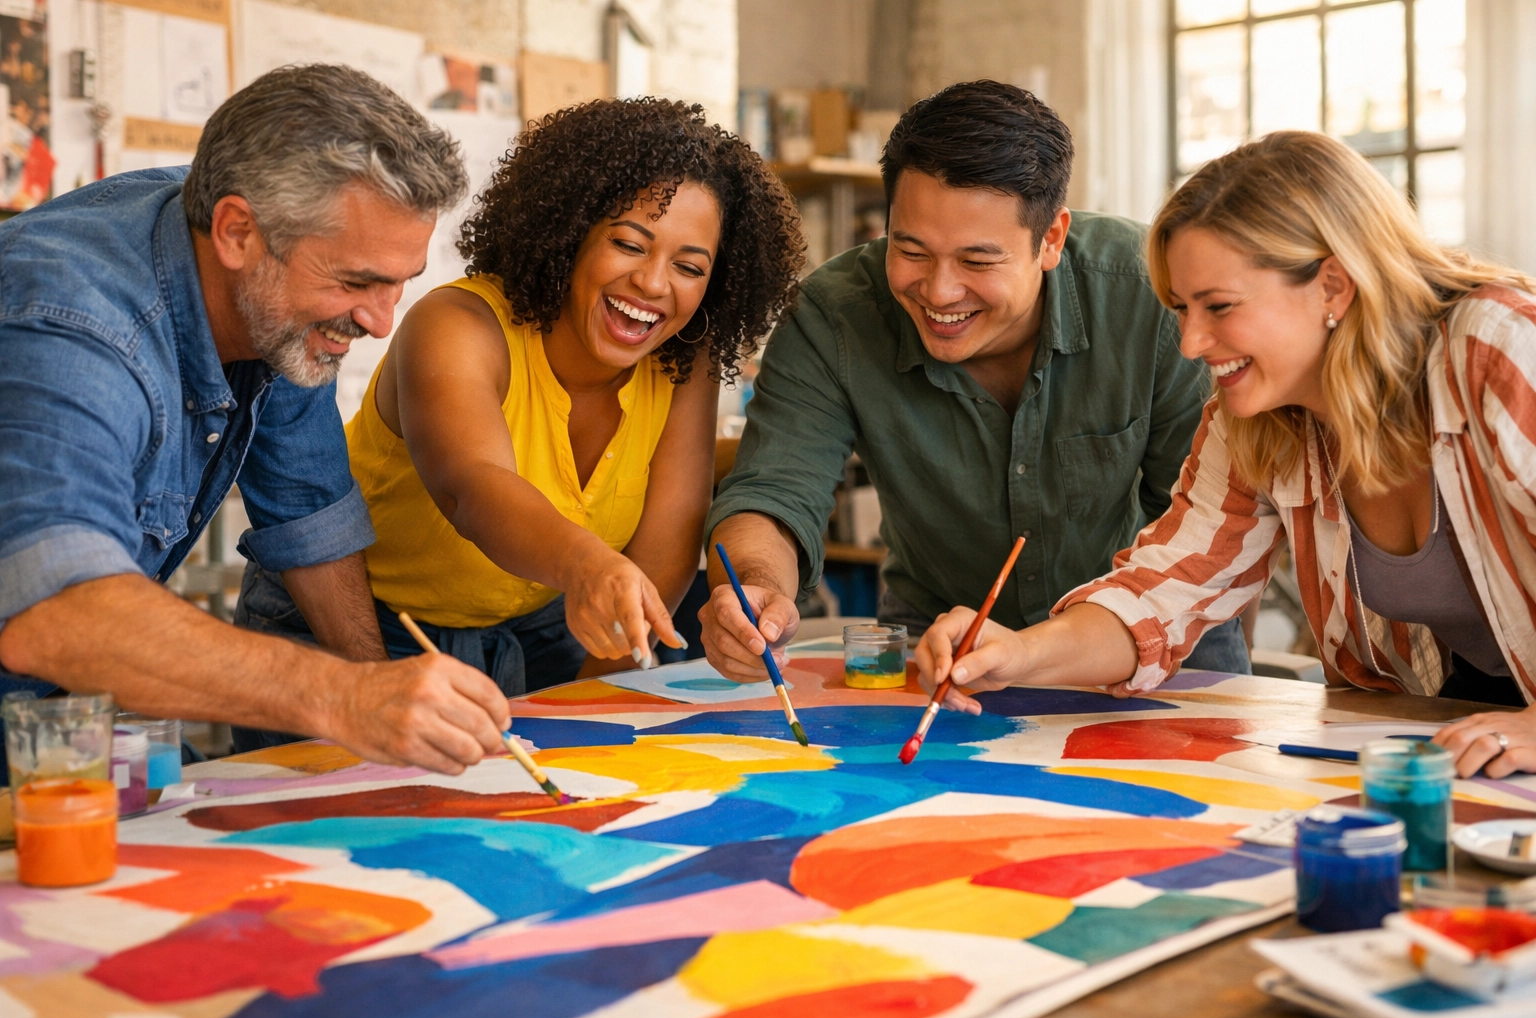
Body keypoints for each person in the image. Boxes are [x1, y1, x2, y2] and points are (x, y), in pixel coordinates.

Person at [914, 130, 1536, 780]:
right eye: (1181, 309)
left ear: (1332, 286)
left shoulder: (1498, 349)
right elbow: (1163, 590)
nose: (1190, 344)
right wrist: (1017, 654)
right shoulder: (1257, 420)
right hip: (1466, 747)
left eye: (1219, 307)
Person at [0, 64, 514, 776]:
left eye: (398, 284)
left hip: (60, 715)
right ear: (237, 230)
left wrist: (388, 714)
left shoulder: (277, 300)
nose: (379, 320)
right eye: (357, 282)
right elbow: (56, 618)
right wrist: (345, 696)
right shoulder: (69, 329)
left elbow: (312, 520)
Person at [238, 98, 804, 700]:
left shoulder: (682, 356)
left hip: (531, 638)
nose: (654, 283)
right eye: (629, 244)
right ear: (570, 230)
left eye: (690, 267)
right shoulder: (457, 325)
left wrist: (590, 695)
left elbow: (665, 545)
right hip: (350, 626)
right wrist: (587, 566)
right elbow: (473, 487)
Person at [699, 80, 1250, 681]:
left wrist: (1070, 642)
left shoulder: (1151, 295)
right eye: (910, 250)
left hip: (1150, 628)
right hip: (933, 639)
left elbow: (1207, 526)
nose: (938, 292)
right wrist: (755, 590)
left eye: (977, 261)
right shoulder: (833, 315)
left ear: (1052, 240)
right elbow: (773, 490)